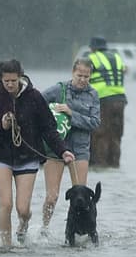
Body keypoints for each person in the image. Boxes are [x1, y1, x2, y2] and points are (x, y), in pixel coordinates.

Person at [0, 58, 74, 248]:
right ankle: (7, 246)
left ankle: (24, 222)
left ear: (20, 77)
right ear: (0, 80)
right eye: (6, 81)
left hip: (27, 157)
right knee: (6, 203)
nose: (10, 84)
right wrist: (1, 126)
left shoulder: (35, 97)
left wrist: (63, 151)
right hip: (0, 157)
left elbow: (48, 129)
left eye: (13, 80)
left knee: (22, 208)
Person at [38, 57, 101, 232]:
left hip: (80, 150)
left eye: (86, 76)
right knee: (52, 197)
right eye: (79, 75)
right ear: (73, 72)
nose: (82, 80)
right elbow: (37, 102)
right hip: (56, 148)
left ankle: (79, 231)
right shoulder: (60, 89)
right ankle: (44, 228)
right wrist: (49, 118)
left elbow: (95, 122)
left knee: (80, 198)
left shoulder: (93, 95)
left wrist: (71, 113)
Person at [86, 36, 128, 167]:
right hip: (120, 99)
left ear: (92, 48)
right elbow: (125, 70)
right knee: (116, 135)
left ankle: (100, 166)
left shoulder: (92, 58)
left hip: (102, 100)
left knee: (100, 134)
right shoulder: (116, 57)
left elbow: (83, 76)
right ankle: (114, 165)